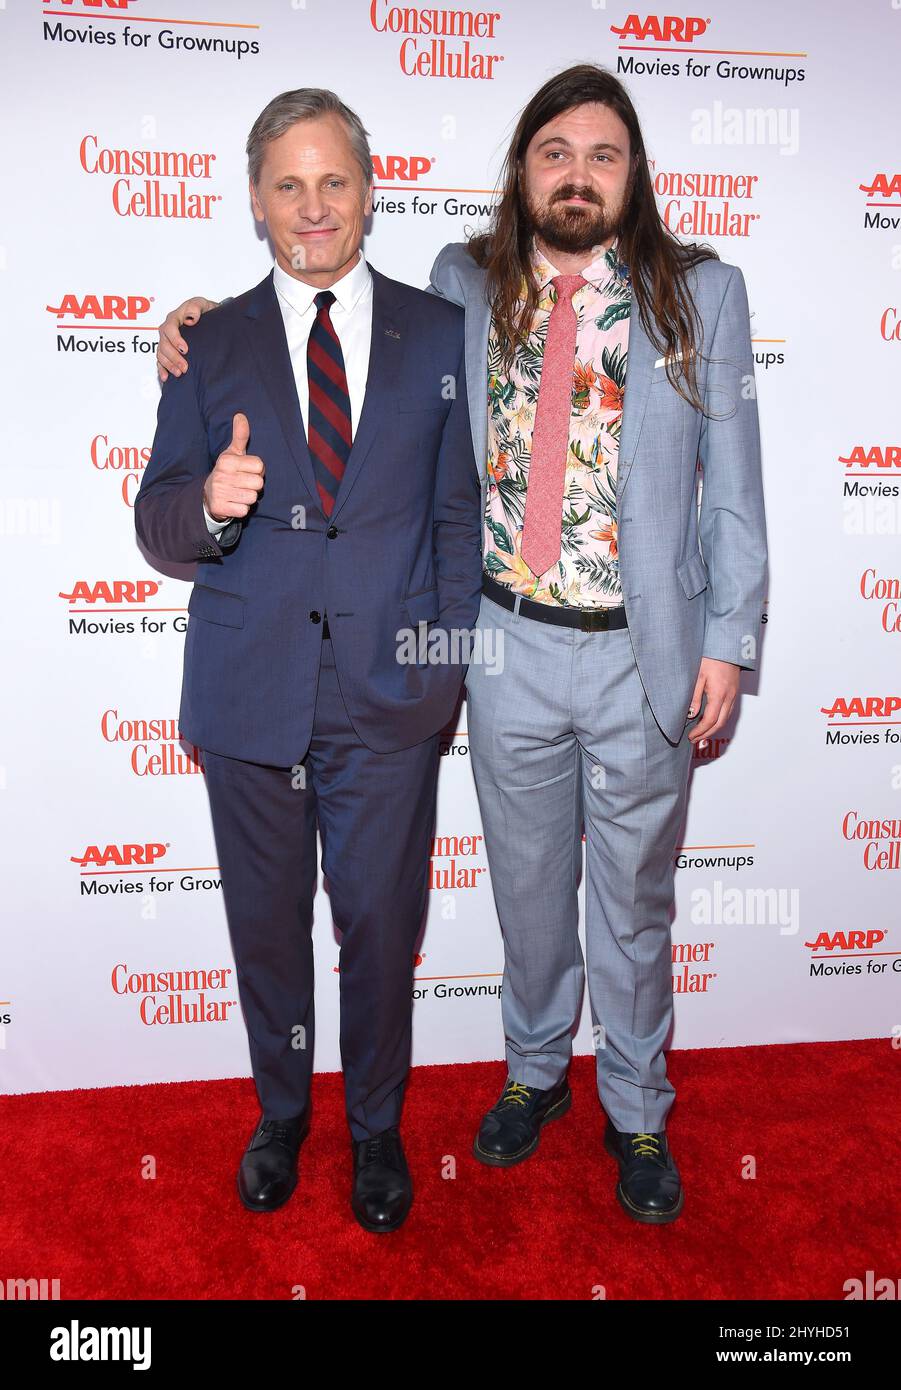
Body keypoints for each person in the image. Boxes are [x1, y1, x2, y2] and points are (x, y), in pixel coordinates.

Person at [155, 65, 768, 1225]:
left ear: (633, 173)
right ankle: (534, 1076)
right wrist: (186, 327)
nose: (576, 176)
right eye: (554, 153)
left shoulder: (702, 293)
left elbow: (731, 489)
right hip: (502, 646)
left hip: (647, 647)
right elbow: (313, 308)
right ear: (521, 168)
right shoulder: (463, 285)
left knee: (632, 900)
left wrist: (728, 640)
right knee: (528, 892)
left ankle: (636, 1105)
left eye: (602, 156)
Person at [136, 88, 482, 1235]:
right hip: (248, 694)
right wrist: (212, 508)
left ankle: (376, 1129)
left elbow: (453, 522)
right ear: (253, 201)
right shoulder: (209, 340)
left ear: (371, 190)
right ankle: (283, 1112)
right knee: (267, 927)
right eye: (288, 182)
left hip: (391, 699)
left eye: (333, 179)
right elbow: (156, 520)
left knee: (383, 927)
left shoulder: (439, 334)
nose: (312, 204)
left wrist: (439, 678)